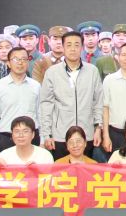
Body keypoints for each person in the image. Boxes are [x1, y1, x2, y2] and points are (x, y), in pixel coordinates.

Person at [38, 30, 103, 161]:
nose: (73, 49)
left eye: (76, 45)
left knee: (86, 171)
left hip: (86, 134)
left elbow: (98, 102)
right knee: (62, 171)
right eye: (68, 45)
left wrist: (98, 128)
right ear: (63, 47)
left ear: (82, 47)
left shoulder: (92, 71)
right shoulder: (52, 72)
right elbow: (46, 104)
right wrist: (46, 134)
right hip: (60, 135)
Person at [0, 45, 40, 158]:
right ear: (9, 63)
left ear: (28, 62)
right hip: (7, 138)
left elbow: (41, 114)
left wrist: (43, 140)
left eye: (24, 59)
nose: (20, 62)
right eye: (15, 59)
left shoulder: (36, 86)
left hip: (31, 137)